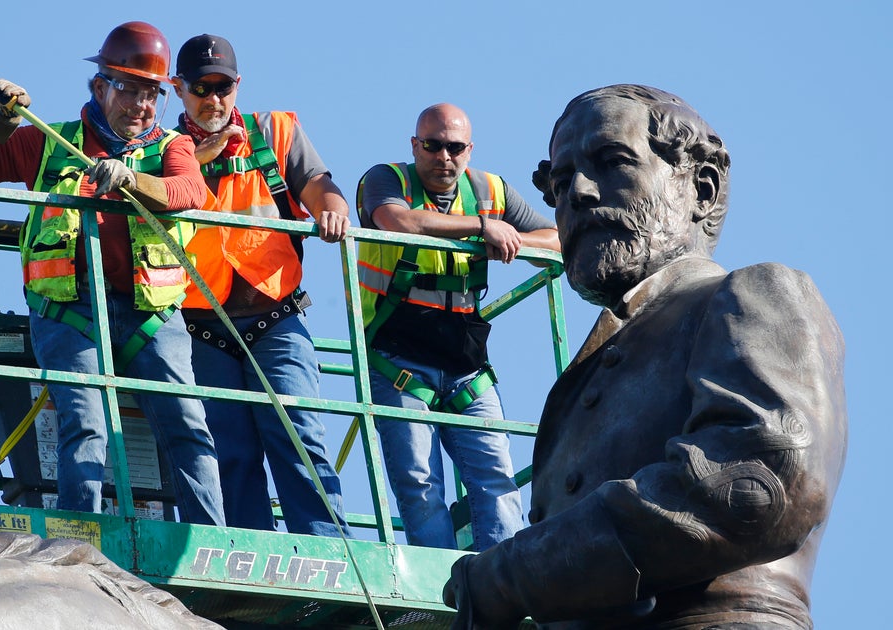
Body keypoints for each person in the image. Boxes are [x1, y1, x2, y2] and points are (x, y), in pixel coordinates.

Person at [443, 84, 847, 628]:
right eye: (561, 183)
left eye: (613, 162)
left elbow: (767, 475)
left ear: (701, 189)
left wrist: (515, 575)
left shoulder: (751, 295)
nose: (579, 194)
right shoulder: (592, 371)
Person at [0, 21, 224, 526]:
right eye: (129, 89)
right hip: (68, 311)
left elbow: (189, 194)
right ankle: (82, 538)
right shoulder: (53, 143)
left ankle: (213, 543)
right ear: (100, 88)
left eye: (151, 95)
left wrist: (133, 180)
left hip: (150, 316)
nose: (141, 105)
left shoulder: (171, 147)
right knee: (85, 424)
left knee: (187, 424)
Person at [169, 33, 352, 537]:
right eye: (201, 88)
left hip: (276, 319)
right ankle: (246, 559)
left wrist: (332, 213)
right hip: (203, 331)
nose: (214, 99)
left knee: (298, 436)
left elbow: (321, 188)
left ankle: (330, 553)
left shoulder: (275, 132)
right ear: (178, 89)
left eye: (222, 87)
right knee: (227, 452)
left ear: (237, 85)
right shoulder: (165, 151)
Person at [356, 104, 561, 551]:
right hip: (398, 360)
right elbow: (398, 220)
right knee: (420, 483)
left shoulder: (490, 188)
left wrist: (512, 239)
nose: (442, 156)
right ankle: (441, 589)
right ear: (415, 146)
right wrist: (485, 226)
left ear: (469, 150)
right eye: (431, 145)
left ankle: (501, 581)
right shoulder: (386, 179)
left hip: (467, 364)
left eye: (453, 147)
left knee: (497, 477)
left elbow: (559, 239)